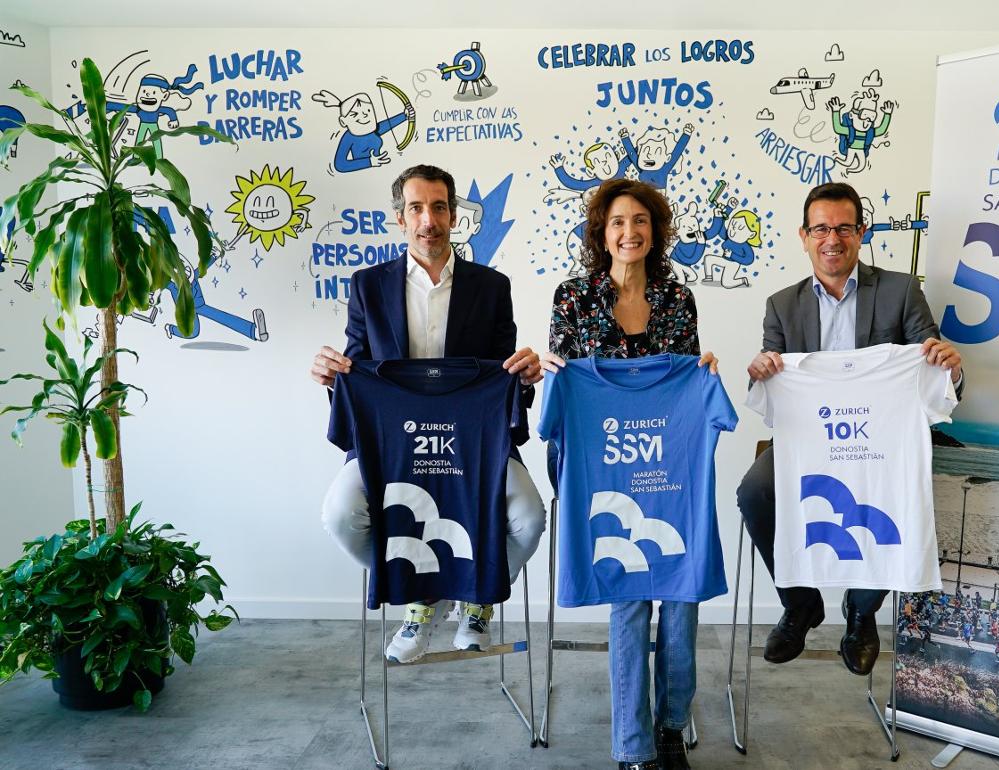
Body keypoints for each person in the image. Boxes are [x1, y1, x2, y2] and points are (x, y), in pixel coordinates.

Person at [312, 164, 546, 662]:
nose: (428, 220)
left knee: (529, 516)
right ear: (400, 218)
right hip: (392, 445)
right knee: (340, 516)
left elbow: (505, 381)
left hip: (475, 444)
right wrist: (333, 377)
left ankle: (477, 596)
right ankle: (422, 596)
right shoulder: (368, 285)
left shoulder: (491, 286)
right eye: (416, 208)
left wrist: (522, 378)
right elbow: (357, 370)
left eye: (439, 207)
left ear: (454, 215)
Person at [736, 181, 963, 674]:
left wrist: (949, 365)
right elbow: (772, 379)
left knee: (898, 493)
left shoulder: (902, 291)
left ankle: (861, 612)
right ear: (804, 235)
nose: (832, 239)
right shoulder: (782, 304)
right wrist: (761, 371)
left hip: (880, 445)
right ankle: (801, 603)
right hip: (808, 444)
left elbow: (932, 364)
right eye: (821, 229)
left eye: (843, 228)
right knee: (754, 491)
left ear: (862, 233)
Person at [540, 178, 718, 770]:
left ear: (656, 231)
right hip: (605, 471)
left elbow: (684, 383)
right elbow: (561, 380)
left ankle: (672, 725)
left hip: (669, 470)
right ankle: (632, 745)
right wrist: (551, 373)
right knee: (629, 597)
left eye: (641, 220)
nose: (630, 232)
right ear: (602, 231)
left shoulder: (676, 299)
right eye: (618, 221)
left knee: (683, 596)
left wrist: (704, 372)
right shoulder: (573, 298)